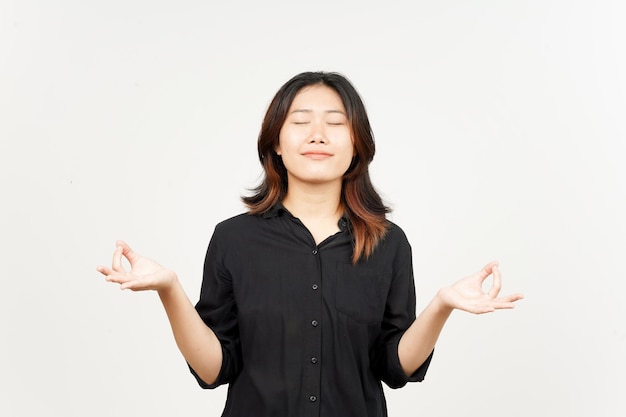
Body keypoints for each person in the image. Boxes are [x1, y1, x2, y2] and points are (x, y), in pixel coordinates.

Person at [97, 71, 523, 417]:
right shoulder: (233, 238)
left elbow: (393, 368)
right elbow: (214, 371)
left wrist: (441, 305)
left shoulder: (389, 243)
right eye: (300, 122)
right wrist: (170, 290)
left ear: (356, 145)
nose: (317, 134)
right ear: (276, 145)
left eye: (335, 123)